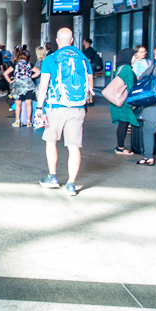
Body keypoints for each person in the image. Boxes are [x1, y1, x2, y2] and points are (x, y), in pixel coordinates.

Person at [36, 27, 93, 197]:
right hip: (78, 107)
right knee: (74, 146)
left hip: (56, 106)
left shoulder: (51, 59)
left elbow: (43, 86)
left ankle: (52, 177)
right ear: (73, 40)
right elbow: (90, 84)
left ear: (57, 40)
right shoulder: (83, 59)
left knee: (51, 141)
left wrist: (39, 108)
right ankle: (71, 184)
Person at [109, 48, 140, 155]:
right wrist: (133, 102)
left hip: (120, 101)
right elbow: (130, 87)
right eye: (134, 56)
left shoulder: (120, 67)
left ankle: (120, 146)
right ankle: (120, 147)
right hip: (125, 102)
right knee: (123, 124)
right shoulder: (127, 69)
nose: (135, 58)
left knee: (123, 123)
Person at [4, 47, 36, 126]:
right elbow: (38, 72)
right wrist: (30, 77)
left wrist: (10, 81)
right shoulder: (29, 64)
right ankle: (29, 121)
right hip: (28, 86)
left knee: (18, 104)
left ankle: (17, 121)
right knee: (28, 104)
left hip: (18, 86)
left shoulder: (15, 65)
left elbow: (5, 73)